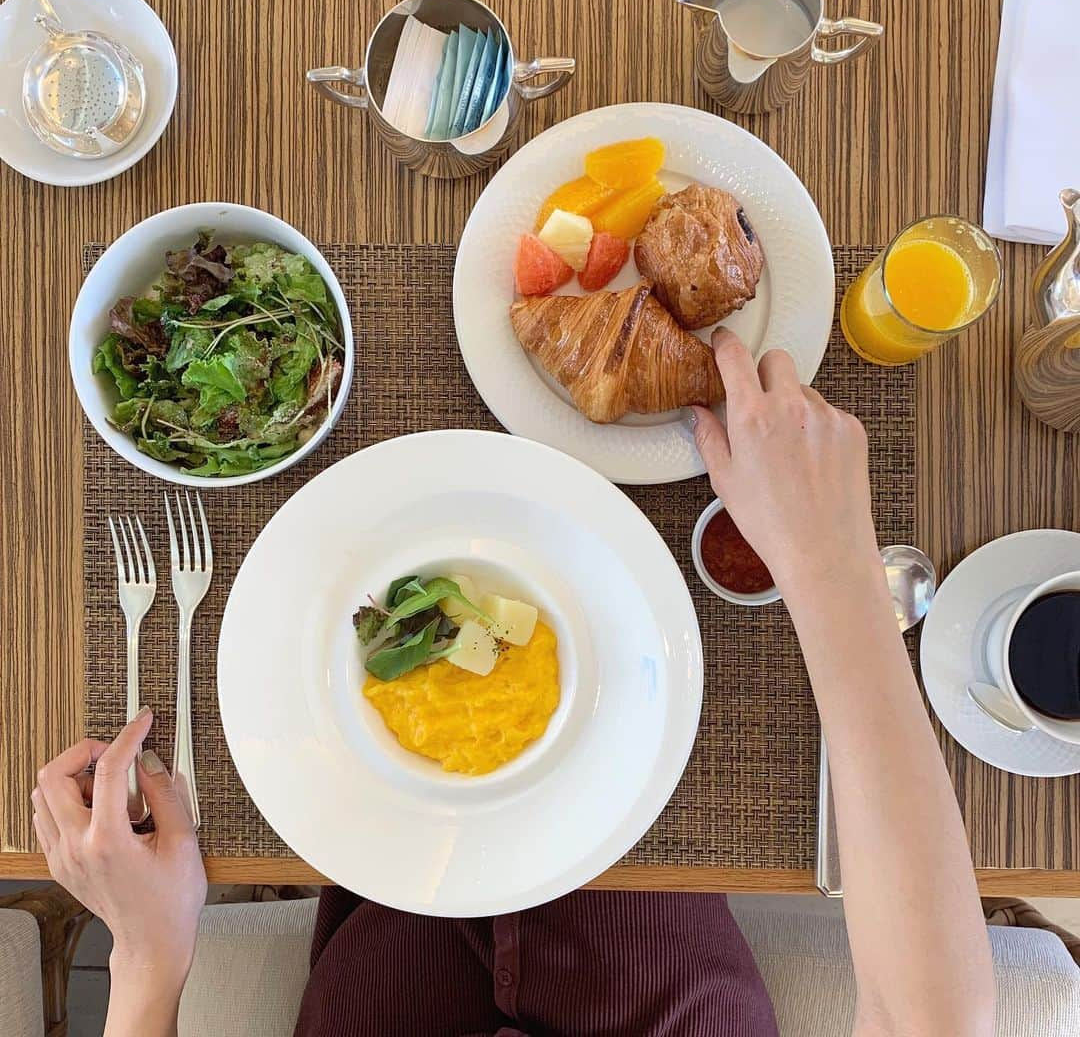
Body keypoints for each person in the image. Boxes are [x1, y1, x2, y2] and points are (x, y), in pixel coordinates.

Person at [32, 330, 996, 1037]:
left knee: (383, 842)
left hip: (387, 991)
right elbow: (935, 1019)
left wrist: (148, 960)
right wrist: (826, 561)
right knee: (623, 768)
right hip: (653, 997)